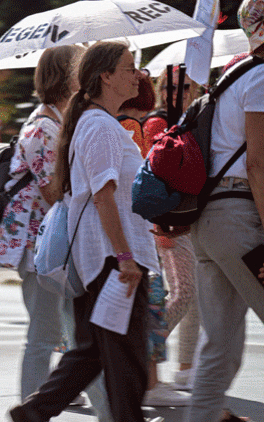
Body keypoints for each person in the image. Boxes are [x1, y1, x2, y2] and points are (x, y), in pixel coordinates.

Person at [8, 41, 160, 422]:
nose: (138, 75)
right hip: (111, 260)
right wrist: (125, 258)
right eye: (130, 67)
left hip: (103, 259)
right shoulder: (99, 126)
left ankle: (35, 412)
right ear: (106, 76)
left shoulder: (95, 122)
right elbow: (103, 198)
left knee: (93, 351)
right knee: (128, 359)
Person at [0, 45, 112, 421]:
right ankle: (32, 411)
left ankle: (111, 412)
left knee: (79, 341)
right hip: (40, 248)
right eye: (79, 66)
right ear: (65, 74)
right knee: (45, 338)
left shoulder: (57, 120)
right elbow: (51, 190)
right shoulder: (43, 126)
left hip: (53, 246)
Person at [178, 1, 264, 420]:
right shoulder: (263, 78)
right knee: (220, 347)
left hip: (208, 223)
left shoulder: (231, 74)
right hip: (240, 219)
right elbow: (258, 163)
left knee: (220, 347)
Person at [142, 65, 203, 396]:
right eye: (169, 87)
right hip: (168, 222)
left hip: (192, 220)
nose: (175, 93)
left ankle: (186, 369)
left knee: (196, 300)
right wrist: (161, 221)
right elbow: (152, 179)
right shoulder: (158, 123)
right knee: (187, 293)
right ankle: (145, 351)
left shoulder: (193, 119)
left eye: (183, 87)